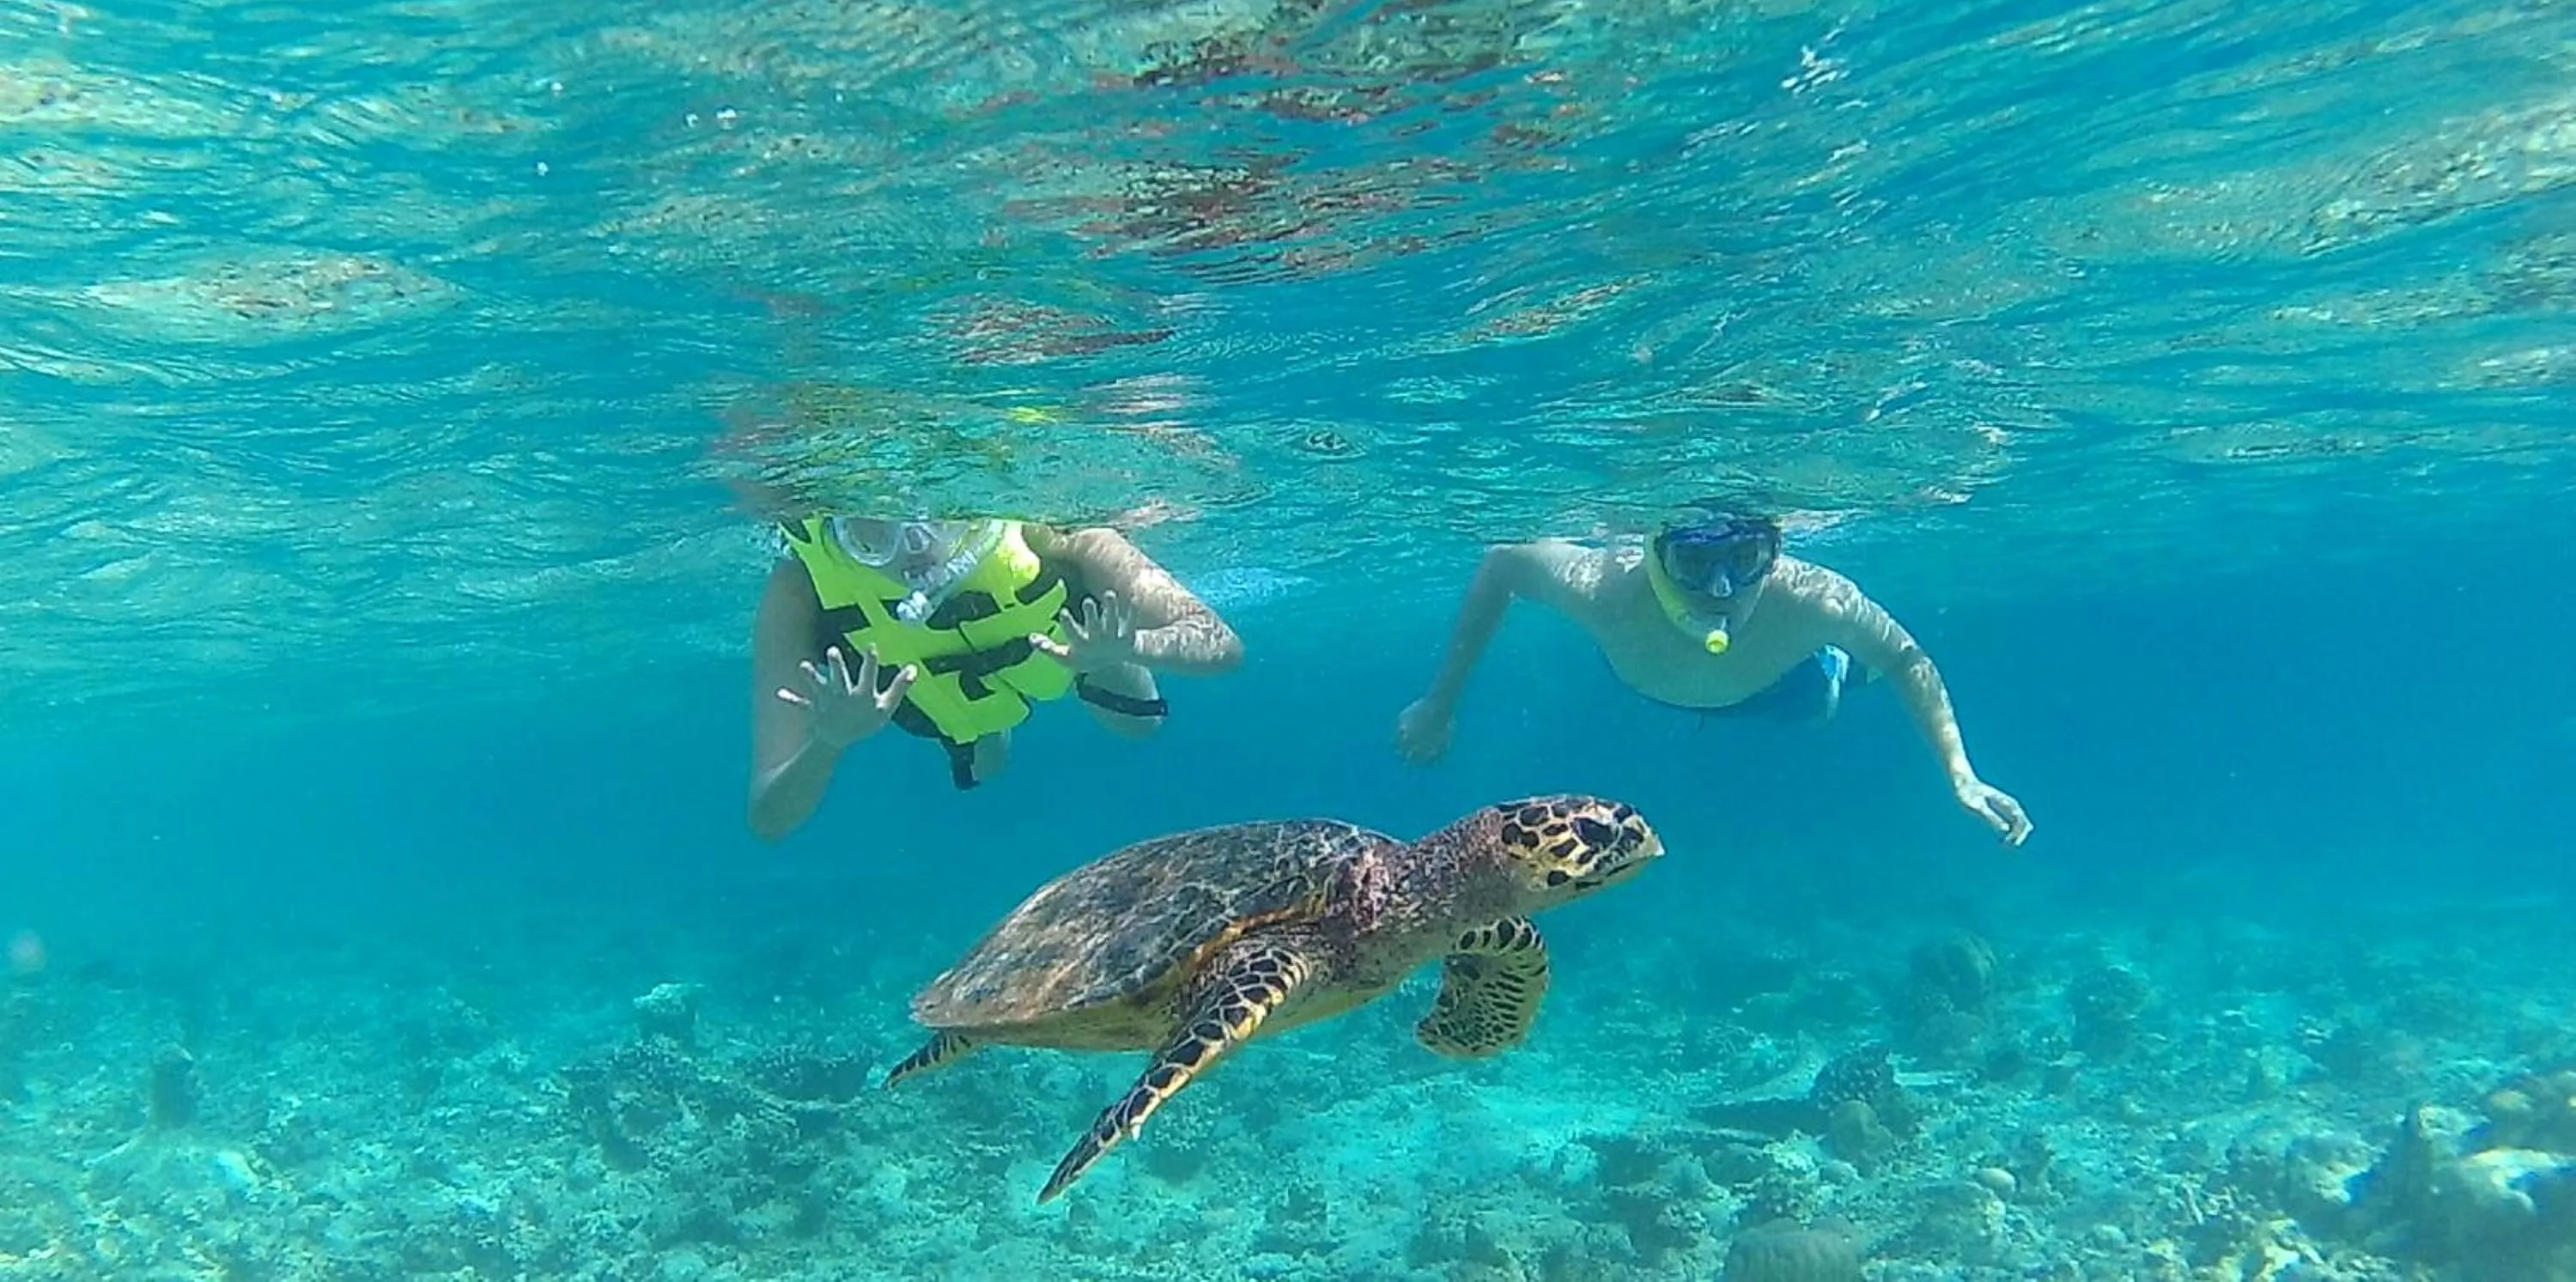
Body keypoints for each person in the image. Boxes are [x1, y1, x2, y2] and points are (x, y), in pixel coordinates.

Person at [1394, 511, 2032, 846]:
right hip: (1649, 682)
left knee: (1822, 700)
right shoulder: (1607, 589)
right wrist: (1439, 701)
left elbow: (1906, 658)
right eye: (1694, 561)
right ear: (1654, 553)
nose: (1721, 589)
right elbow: (1502, 564)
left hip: (1784, 686)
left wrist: (1960, 772)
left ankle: (1834, 668)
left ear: (1775, 554)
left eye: (1746, 559)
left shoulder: (1818, 603)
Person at [747, 514, 1243, 840]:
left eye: (934, 519)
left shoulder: (1049, 529)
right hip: (949, 695)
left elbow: (1220, 643)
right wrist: (830, 741)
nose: (915, 551)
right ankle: (989, 714)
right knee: (986, 767)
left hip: (1079, 645)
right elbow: (769, 817)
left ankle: (1097, 662)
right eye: (871, 537)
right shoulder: (799, 588)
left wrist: (1134, 645)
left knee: (1139, 726)